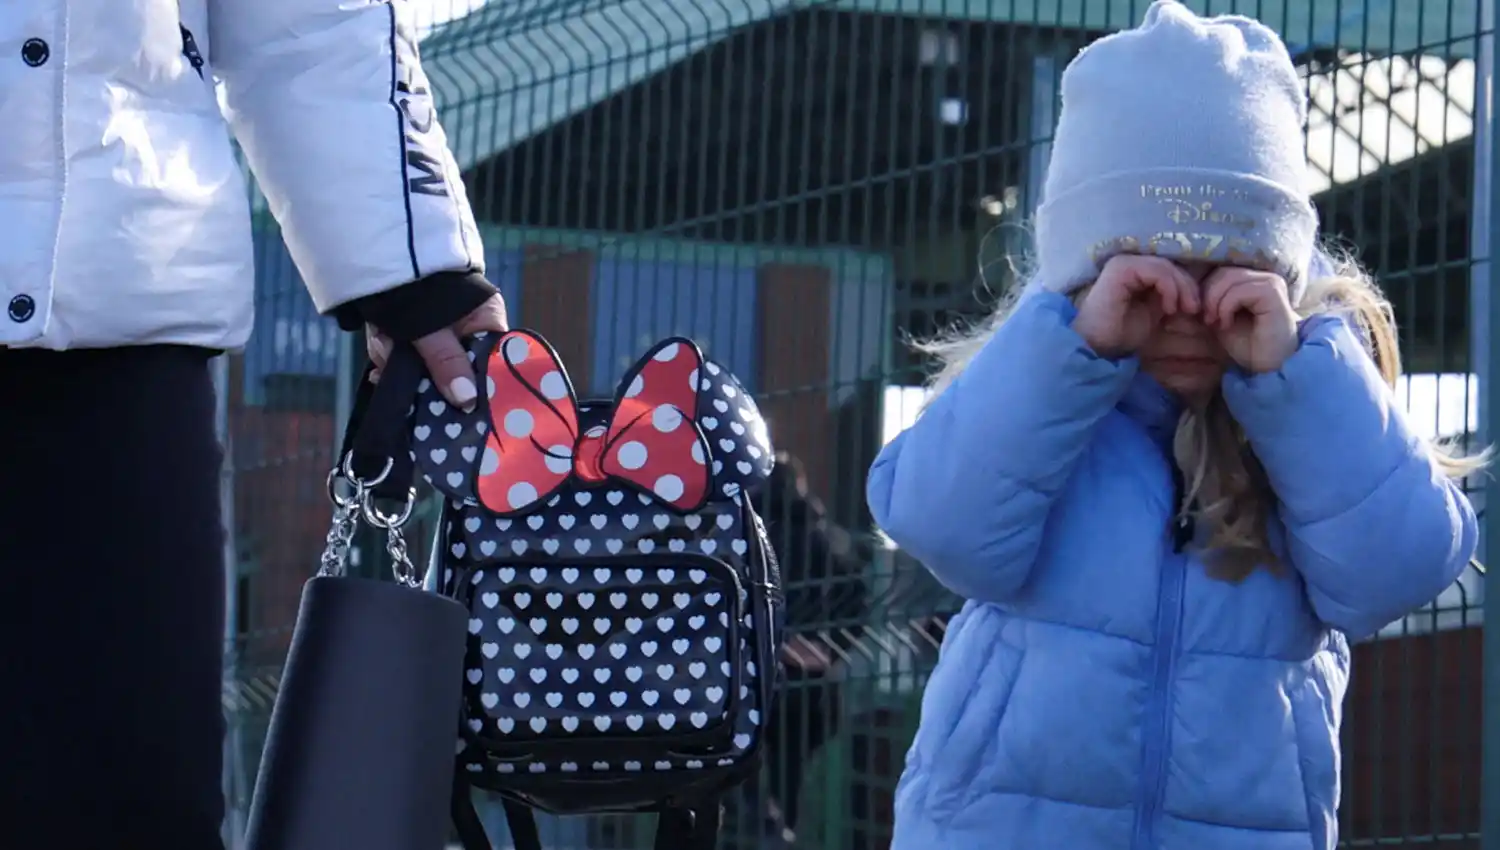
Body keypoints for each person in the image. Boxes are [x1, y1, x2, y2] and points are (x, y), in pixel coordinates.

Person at [865, 3, 1482, 849]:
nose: (1188, 304)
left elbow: (1397, 571)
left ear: (1284, 277)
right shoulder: (1035, 404)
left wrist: (1295, 381)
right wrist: (1070, 354)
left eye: (1231, 264)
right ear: (1082, 275)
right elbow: (940, 524)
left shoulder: (1312, 417)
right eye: (1145, 270)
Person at [0, 2, 504, 847]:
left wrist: (415, 266)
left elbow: (307, 20)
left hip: (115, 320)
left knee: (123, 798)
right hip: (124, 301)